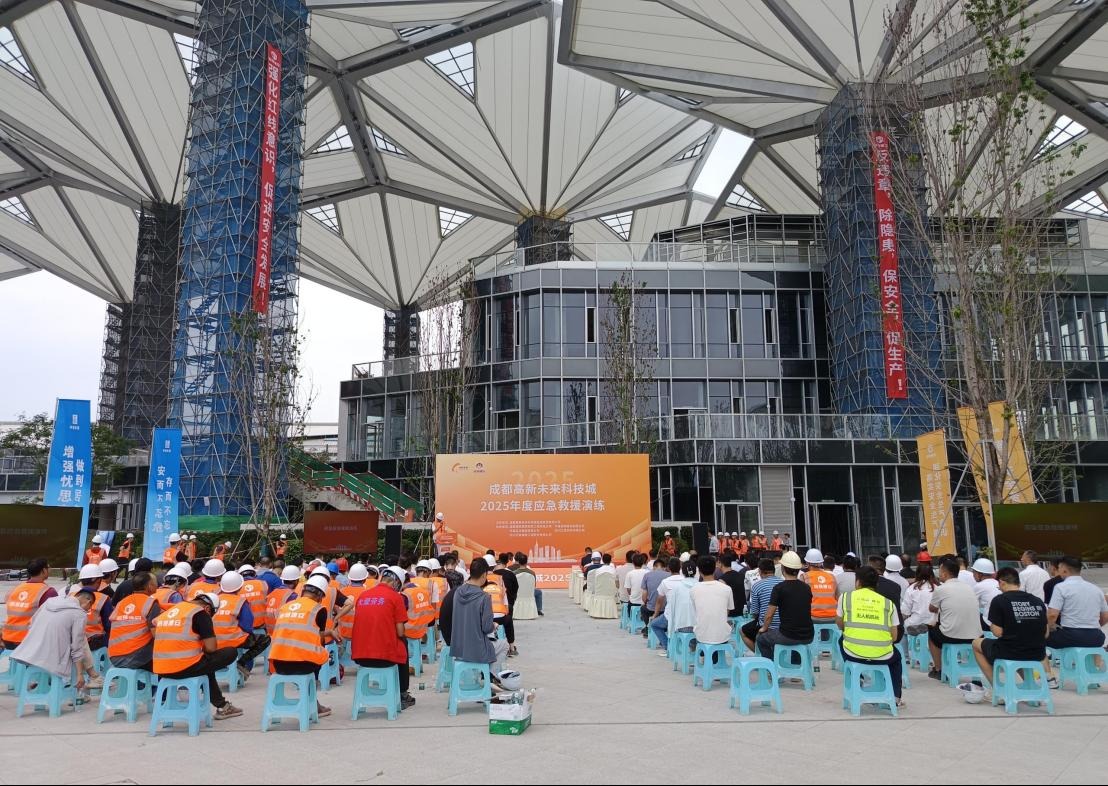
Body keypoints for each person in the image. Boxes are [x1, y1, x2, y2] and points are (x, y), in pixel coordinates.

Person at [152, 591, 242, 719]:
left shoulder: (172, 610)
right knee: (230, 652)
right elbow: (211, 648)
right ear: (208, 608)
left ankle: (223, 706)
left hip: (161, 670)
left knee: (206, 666)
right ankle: (222, 707)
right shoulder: (200, 613)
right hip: (183, 667)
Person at [838, 565, 904, 707]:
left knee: (841, 640)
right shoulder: (888, 603)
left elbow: (840, 624)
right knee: (897, 659)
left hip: (853, 654)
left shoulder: (845, 598)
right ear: (877, 583)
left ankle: (858, 677)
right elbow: (894, 636)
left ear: (858, 582)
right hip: (883, 655)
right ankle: (895, 696)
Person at [351, 566, 416, 710]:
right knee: (403, 643)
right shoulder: (396, 597)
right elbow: (400, 632)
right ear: (396, 583)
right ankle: (402, 693)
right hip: (384, 658)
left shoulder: (363, 596)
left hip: (360, 656)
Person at [972, 566, 1048, 690]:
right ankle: (1030, 685)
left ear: (1002, 582)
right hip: (1037, 652)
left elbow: (997, 632)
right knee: (1019, 644)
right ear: (1018, 583)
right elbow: (1046, 633)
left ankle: (997, 688)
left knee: (976, 643)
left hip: (1011, 651)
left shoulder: (999, 600)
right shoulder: (1037, 600)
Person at [12, 586, 99, 693]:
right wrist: (79, 674)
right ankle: (86, 683)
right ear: (88, 602)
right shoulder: (79, 614)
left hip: (29, 654)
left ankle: (41, 681)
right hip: (53, 661)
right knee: (80, 643)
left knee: (77, 640)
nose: (87, 610)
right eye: (89, 607)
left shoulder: (49, 602)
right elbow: (77, 647)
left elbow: (32, 623)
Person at [268, 575, 333, 718]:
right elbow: (319, 637)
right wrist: (331, 634)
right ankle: (312, 701)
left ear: (303, 591)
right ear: (320, 596)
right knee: (322, 652)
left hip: (278, 664)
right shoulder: (318, 609)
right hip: (302, 665)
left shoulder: (285, 607)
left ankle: (310, 700)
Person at [927, 557, 983, 681]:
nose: (939, 574)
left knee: (932, 632)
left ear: (945, 574)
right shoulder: (968, 588)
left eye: (940, 571)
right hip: (976, 635)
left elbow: (932, 608)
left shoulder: (941, 589)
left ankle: (938, 669)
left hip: (951, 635)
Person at [450, 558, 509, 672]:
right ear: (484, 575)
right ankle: (490, 675)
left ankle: (485, 676)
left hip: (458, 649)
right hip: (477, 650)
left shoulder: (457, 592)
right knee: (504, 645)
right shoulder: (484, 597)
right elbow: (487, 628)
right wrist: (493, 625)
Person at [1044, 555, 1108, 657]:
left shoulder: (1061, 587)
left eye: (1059, 568)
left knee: (1037, 638)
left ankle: (1052, 664)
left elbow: (1052, 615)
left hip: (1071, 636)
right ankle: (1092, 664)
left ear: (1064, 570)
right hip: (1096, 637)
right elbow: (1105, 616)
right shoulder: (1096, 589)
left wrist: (1047, 629)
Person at [213, 571, 271, 680]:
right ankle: (241, 663)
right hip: (234, 640)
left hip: (212, 641)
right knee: (265, 640)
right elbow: (247, 625)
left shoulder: (213, 599)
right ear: (240, 587)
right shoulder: (240, 601)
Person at [756, 551, 813, 659]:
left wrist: (764, 628)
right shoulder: (806, 587)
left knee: (761, 639)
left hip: (788, 635)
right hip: (809, 635)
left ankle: (771, 666)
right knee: (796, 642)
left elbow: (769, 615)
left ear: (782, 569)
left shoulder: (779, 588)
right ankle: (797, 665)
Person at [107, 571, 160, 672]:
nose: (157, 586)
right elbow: (156, 635)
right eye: (155, 583)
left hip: (114, 657)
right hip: (135, 658)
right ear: (149, 586)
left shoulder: (121, 603)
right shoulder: (150, 603)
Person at [2, 558, 58, 649]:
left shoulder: (15, 589)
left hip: (7, 638)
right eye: (48, 567)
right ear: (44, 570)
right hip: (29, 640)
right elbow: (54, 619)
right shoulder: (48, 592)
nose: (50, 569)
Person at [690, 555, 734, 651]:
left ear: (699, 571)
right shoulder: (726, 588)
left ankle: (705, 655)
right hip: (723, 635)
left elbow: (696, 611)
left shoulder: (694, 589)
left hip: (701, 635)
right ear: (715, 569)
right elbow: (727, 611)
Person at [740, 558, 781, 653]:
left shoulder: (757, 586)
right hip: (784, 625)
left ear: (760, 571)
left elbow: (755, 613)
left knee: (742, 631)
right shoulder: (783, 582)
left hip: (766, 625)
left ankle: (761, 654)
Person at [649, 558, 683, 653]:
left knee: (654, 624)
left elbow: (659, 601)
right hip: (684, 616)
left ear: (668, 568)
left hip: (669, 615)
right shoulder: (685, 581)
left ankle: (668, 646)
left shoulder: (665, 582)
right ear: (680, 567)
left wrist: (655, 615)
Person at [493, 553, 520, 656]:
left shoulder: (490, 576)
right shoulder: (511, 574)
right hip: (506, 607)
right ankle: (511, 647)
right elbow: (515, 589)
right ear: (507, 562)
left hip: (488, 610)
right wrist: (511, 601)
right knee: (508, 621)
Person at [264, 565, 303, 635]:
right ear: (296, 581)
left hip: (269, 633)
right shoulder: (293, 596)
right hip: (281, 634)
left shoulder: (272, 593)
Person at [802, 548, 836, 623]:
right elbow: (837, 597)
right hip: (833, 616)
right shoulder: (831, 577)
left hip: (814, 617)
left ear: (807, 563)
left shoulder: (804, 577)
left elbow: (801, 599)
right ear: (821, 563)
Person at [902, 563, 937, 636]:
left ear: (917, 574)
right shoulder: (938, 588)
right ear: (932, 574)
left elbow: (905, 612)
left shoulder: (911, 588)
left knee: (903, 628)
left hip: (914, 623)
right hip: (933, 624)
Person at [640, 557, 669, 637]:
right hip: (665, 610)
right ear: (664, 567)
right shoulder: (669, 575)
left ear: (654, 567)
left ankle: (648, 626)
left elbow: (644, 595)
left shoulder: (647, 575)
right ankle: (663, 629)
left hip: (651, 609)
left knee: (643, 608)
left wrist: (646, 602)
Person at [970, 558, 1001, 628]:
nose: (973, 575)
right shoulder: (997, 583)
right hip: (1001, 621)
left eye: (974, 572)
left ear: (980, 574)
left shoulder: (979, 586)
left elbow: (969, 604)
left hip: (989, 623)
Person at [717, 549, 746, 623]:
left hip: (730, 614)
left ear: (721, 563)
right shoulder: (741, 575)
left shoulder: (722, 580)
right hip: (741, 613)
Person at [624, 552, 648, 624]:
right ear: (643, 562)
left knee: (629, 604)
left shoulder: (630, 573)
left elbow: (628, 589)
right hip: (646, 602)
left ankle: (632, 620)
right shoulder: (647, 572)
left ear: (633, 563)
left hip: (634, 601)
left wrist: (632, 594)